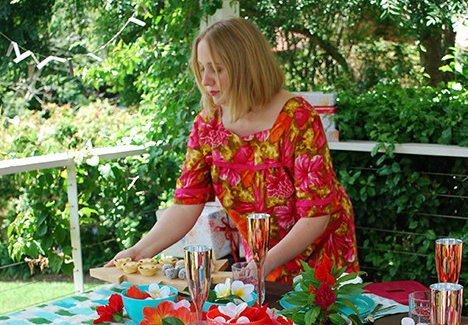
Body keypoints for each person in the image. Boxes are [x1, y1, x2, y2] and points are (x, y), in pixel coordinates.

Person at [109, 16, 359, 283]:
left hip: (321, 255)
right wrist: (138, 251)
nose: (205, 80)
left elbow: (316, 215)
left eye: (216, 69)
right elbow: (185, 206)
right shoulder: (208, 125)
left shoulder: (298, 119)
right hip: (263, 260)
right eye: (201, 68)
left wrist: (265, 262)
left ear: (245, 68)